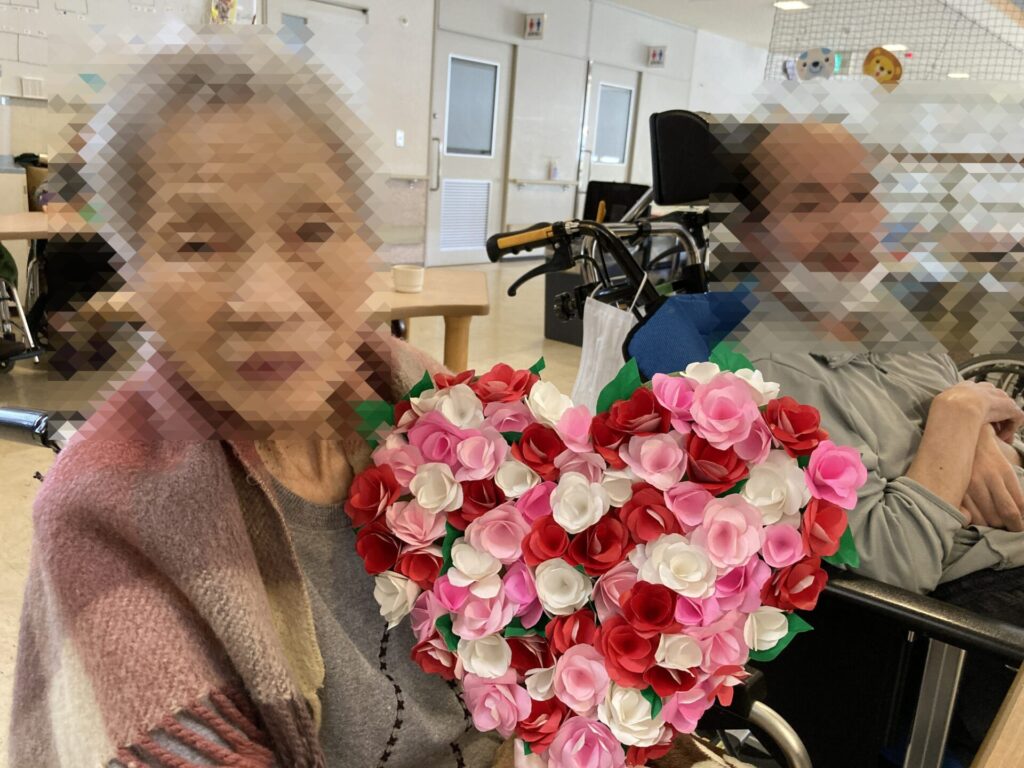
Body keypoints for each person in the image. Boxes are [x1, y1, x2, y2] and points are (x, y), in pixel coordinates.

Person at [10, 34, 749, 768]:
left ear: (367, 246)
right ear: (133, 271)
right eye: (198, 243)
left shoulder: (421, 401)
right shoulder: (107, 512)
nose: (265, 298)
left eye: (312, 230)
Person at [722, 120, 1024, 754]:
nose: (848, 225)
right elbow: (897, 562)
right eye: (809, 203)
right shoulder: (768, 379)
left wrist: (969, 437)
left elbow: (997, 452)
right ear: (754, 233)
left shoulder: (889, 325)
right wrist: (957, 413)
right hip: (964, 627)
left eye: (860, 195)